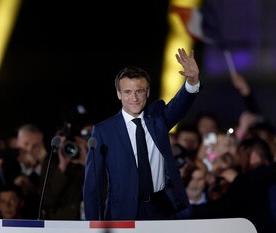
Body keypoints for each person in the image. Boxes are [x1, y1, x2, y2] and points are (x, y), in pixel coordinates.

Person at [83, 48, 200, 220]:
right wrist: (92, 225)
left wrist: (192, 80)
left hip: (161, 208)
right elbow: (93, 183)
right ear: (118, 94)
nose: (134, 98)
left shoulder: (158, 118)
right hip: (122, 213)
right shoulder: (103, 130)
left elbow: (179, 105)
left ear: (148, 92)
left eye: (139, 91)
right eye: (128, 92)